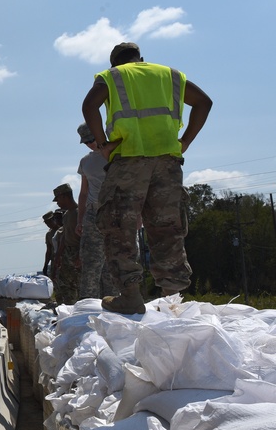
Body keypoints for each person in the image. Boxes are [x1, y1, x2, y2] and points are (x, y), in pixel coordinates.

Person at [82, 41, 212, 314]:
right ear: (141, 58)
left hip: (128, 160)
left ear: (114, 64)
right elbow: (204, 102)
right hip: (167, 162)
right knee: (167, 228)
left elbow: (89, 106)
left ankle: (130, 295)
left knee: (119, 228)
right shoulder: (170, 75)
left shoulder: (113, 77)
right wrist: (185, 141)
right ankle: (173, 297)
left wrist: (104, 145)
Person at [75, 123, 118, 299]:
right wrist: (80, 220)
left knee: (114, 264)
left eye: (92, 139)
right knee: (92, 265)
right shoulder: (85, 162)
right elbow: (83, 192)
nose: (90, 144)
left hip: (116, 212)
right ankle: (88, 307)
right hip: (93, 214)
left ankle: (115, 304)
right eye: (86, 142)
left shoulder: (117, 154)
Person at [51, 184, 80, 305]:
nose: (57, 203)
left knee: (79, 284)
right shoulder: (67, 215)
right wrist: (58, 256)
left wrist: (80, 255)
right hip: (67, 254)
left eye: (58, 199)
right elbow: (64, 237)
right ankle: (68, 308)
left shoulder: (79, 213)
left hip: (77, 252)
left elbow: (85, 237)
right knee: (64, 285)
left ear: (64, 196)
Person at [41, 210, 59, 276]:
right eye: (47, 223)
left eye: (50, 221)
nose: (49, 224)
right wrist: (45, 265)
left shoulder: (62, 229)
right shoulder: (49, 234)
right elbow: (48, 251)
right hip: (55, 260)